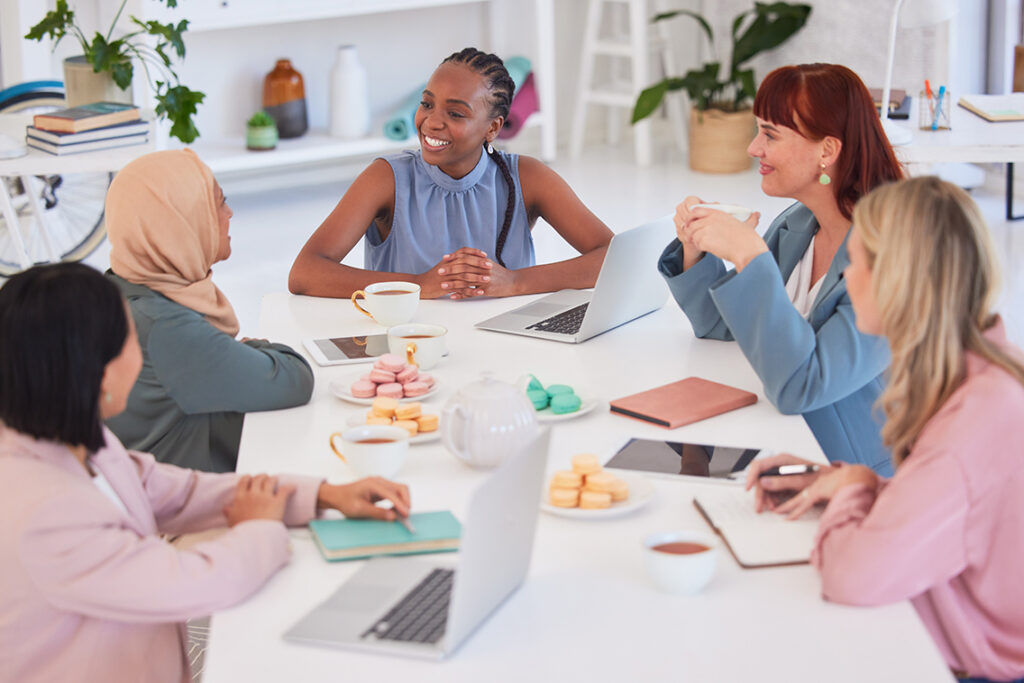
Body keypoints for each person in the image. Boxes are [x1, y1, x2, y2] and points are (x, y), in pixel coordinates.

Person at [0, 263, 412, 683]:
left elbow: (178, 492)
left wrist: (323, 495)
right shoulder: (42, 514)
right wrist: (260, 527)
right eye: (130, 339)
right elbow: (187, 584)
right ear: (99, 372)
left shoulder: (69, 436)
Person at [746, 177, 1024, 683]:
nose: (846, 278)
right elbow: (966, 505)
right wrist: (865, 485)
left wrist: (853, 500)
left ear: (897, 278)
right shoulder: (989, 369)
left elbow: (853, 578)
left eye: (859, 262)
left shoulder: (974, 423)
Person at [657, 64, 904, 475]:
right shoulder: (799, 225)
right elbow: (724, 328)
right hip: (782, 439)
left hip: (855, 472)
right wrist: (695, 247)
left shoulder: (892, 253)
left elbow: (803, 388)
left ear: (827, 150)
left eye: (770, 134)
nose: (753, 148)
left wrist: (750, 257)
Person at [288, 47, 613, 300]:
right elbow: (305, 272)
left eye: (455, 113)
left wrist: (514, 282)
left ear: (493, 128)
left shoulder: (526, 177)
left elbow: (613, 256)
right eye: (427, 104)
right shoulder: (386, 178)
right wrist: (418, 285)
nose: (432, 122)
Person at [104, 149, 314, 473]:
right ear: (180, 223)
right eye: (218, 203)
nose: (229, 213)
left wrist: (233, 353)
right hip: (184, 509)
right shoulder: (165, 328)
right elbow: (294, 378)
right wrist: (251, 347)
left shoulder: (118, 291)